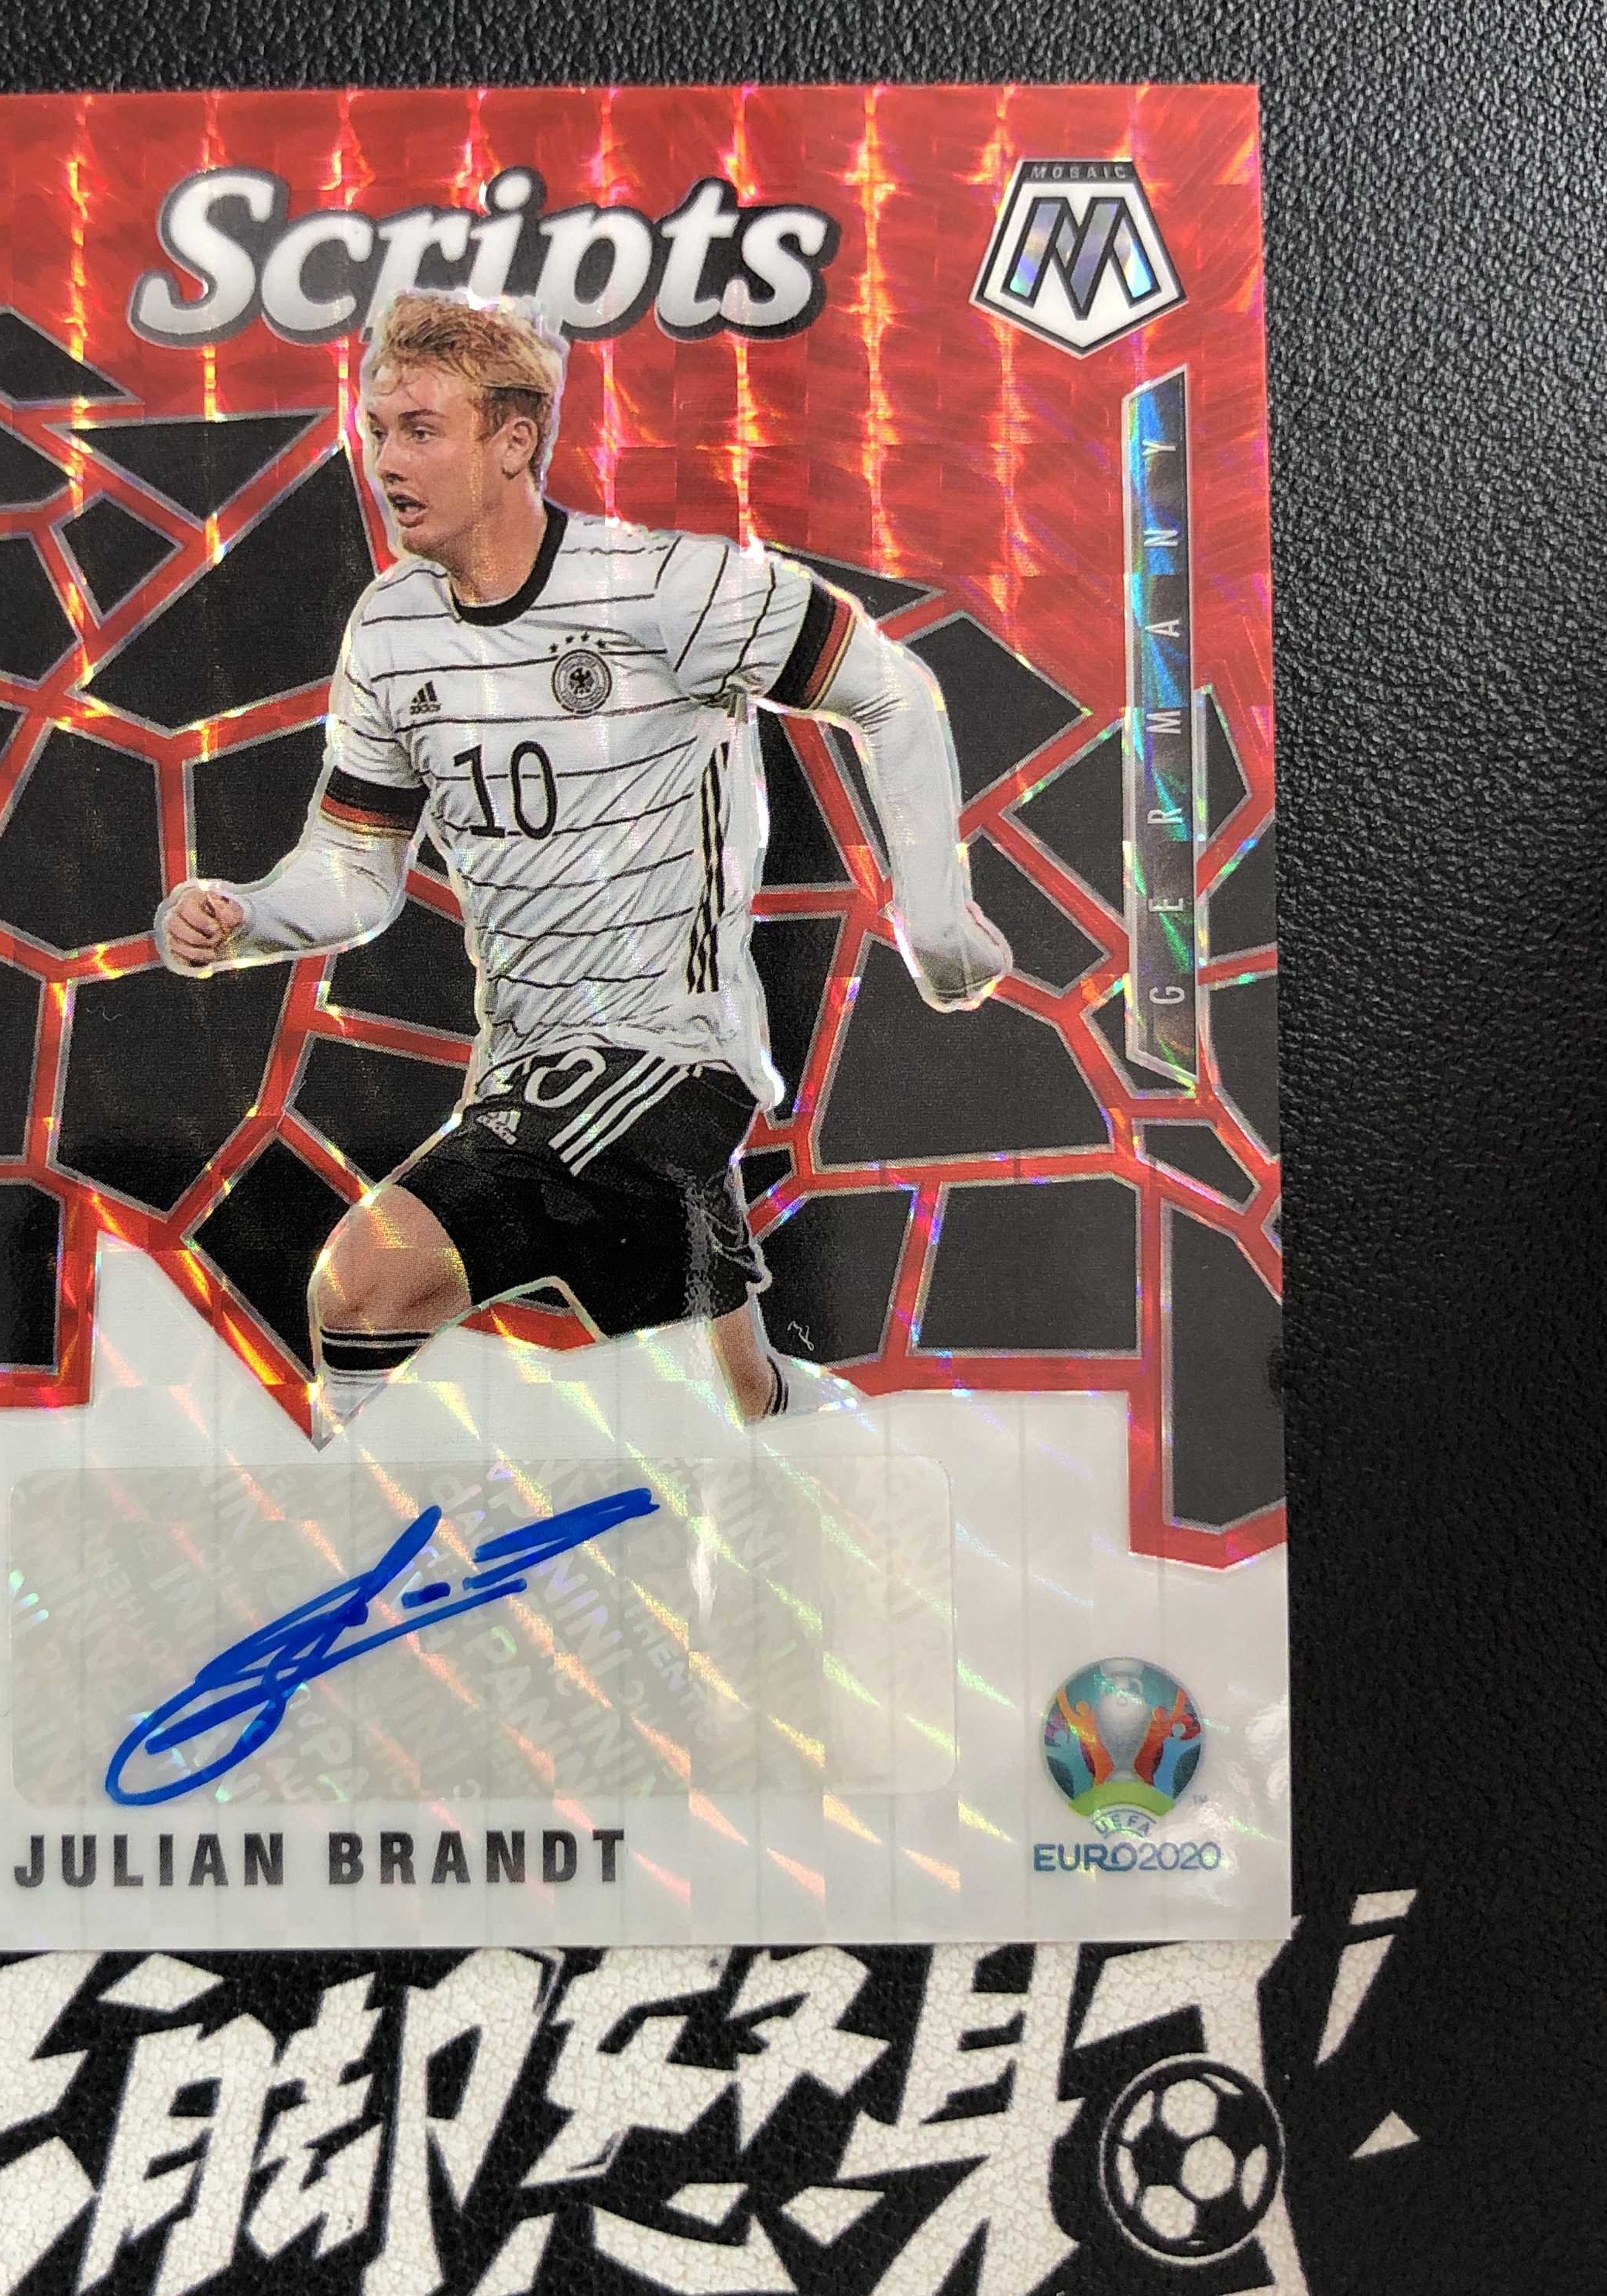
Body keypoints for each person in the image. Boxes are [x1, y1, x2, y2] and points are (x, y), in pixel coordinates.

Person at [156, 290, 1009, 1442]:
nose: (388, 460)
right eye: (378, 429)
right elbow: (353, 869)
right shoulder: (389, 630)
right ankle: (787, 1432)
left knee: (363, 1284)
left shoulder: (665, 589)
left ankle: (372, 1528)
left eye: (422, 430)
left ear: (514, 442)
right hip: (524, 1071)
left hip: (670, 1051)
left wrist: (934, 917)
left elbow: (891, 690)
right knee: (719, 1407)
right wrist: (246, 914)